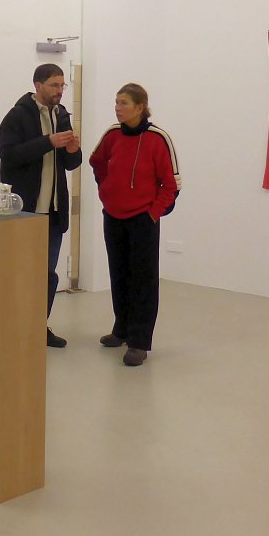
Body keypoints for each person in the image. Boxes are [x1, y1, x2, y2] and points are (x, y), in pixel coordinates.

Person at [89, 83, 180, 366]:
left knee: (143, 280)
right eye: (116, 102)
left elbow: (171, 184)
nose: (117, 108)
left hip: (143, 219)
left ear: (140, 107)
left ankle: (139, 342)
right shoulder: (112, 134)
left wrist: (153, 213)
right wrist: (105, 189)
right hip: (113, 215)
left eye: (124, 103)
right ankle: (121, 329)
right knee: (119, 274)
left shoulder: (158, 139)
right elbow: (96, 161)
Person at [0, 64, 82, 347]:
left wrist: (73, 151)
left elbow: (70, 164)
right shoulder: (17, 116)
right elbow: (9, 156)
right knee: (20, 272)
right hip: (24, 212)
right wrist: (48, 142)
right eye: (54, 85)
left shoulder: (63, 115)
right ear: (38, 85)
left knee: (47, 275)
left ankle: (37, 328)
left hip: (53, 213)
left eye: (62, 85)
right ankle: (12, 328)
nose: (59, 91)